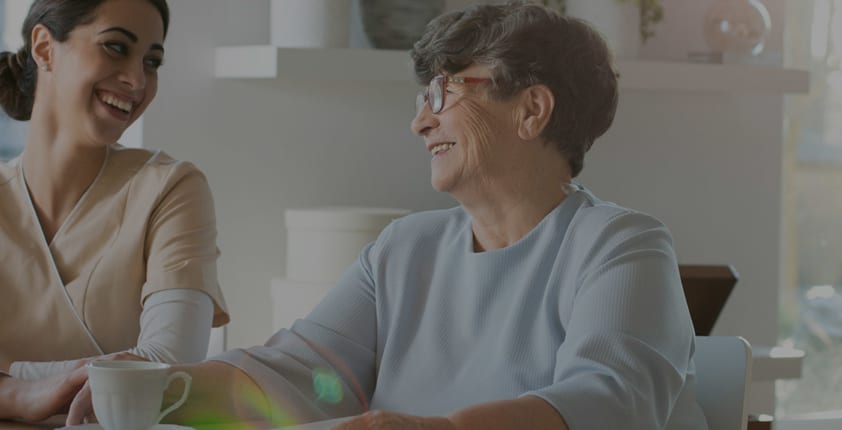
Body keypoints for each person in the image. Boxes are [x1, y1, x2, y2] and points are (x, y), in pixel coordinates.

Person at [65, 2, 706, 429]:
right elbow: (304, 373)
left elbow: (608, 402)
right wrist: (157, 387)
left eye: (444, 92)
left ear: (531, 110)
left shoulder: (621, 246)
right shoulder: (405, 248)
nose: (419, 120)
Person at [0, 0, 229, 421]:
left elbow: (165, 369)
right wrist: (18, 395)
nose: (137, 79)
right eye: (116, 47)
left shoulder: (171, 189)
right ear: (44, 47)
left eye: (152, 62)